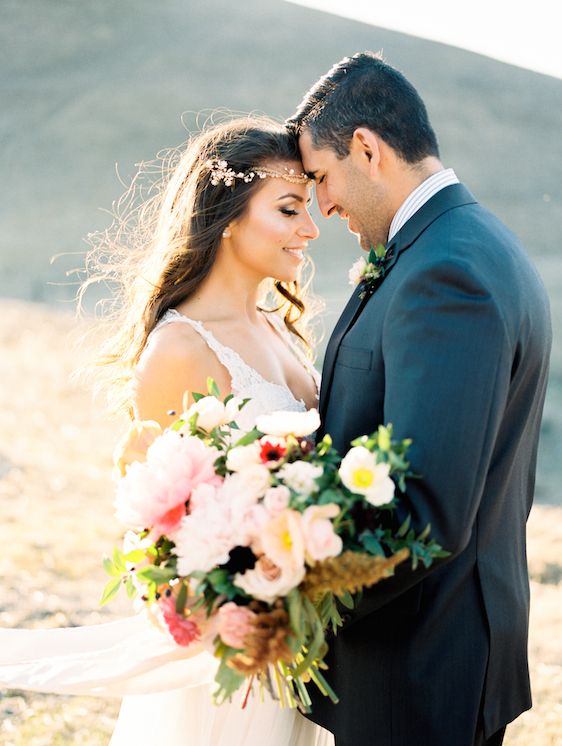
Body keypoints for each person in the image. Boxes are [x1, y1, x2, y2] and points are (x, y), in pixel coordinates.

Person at [0, 116, 334, 746]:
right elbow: (160, 540)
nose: (310, 229)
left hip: (293, 638)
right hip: (227, 672)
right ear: (229, 215)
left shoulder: (280, 329)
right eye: (290, 210)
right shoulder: (180, 349)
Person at [286, 51, 552, 746]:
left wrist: (287, 590)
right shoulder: (468, 242)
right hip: (439, 660)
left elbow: (424, 511)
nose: (324, 204)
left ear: (367, 148)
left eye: (321, 177)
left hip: (419, 676)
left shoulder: (444, 274)